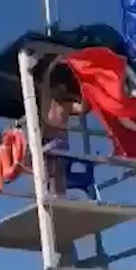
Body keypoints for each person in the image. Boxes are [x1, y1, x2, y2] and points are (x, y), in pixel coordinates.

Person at [41, 65, 89, 194]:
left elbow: (83, 109)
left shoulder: (67, 105)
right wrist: (50, 67)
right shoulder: (47, 102)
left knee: (59, 171)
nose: (61, 92)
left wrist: (84, 92)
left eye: (64, 89)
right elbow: (45, 84)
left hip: (61, 141)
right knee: (46, 171)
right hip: (46, 140)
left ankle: (60, 195)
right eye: (59, 88)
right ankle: (46, 194)